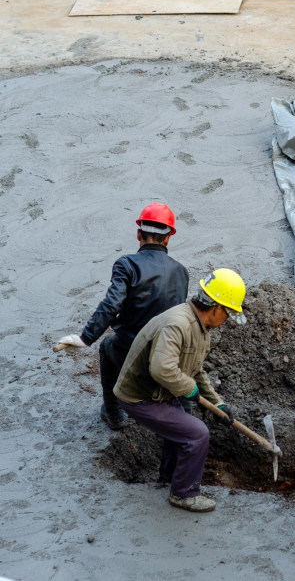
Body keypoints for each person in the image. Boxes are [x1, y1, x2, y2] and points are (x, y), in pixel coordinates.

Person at [114, 268, 247, 513]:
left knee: (181, 429)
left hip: (161, 392)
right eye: (228, 314)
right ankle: (184, 493)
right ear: (216, 308)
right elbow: (161, 369)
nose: (226, 320)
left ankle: (168, 478)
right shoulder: (178, 324)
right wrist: (189, 390)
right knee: (197, 433)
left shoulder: (199, 327)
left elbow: (195, 370)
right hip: (139, 396)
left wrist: (217, 403)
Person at [56, 203, 189, 431]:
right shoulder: (182, 272)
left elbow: (112, 304)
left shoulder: (127, 264)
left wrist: (86, 337)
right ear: (168, 238)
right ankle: (180, 410)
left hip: (133, 351)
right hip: (168, 354)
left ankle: (113, 413)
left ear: (139, 233)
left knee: (107, 346)